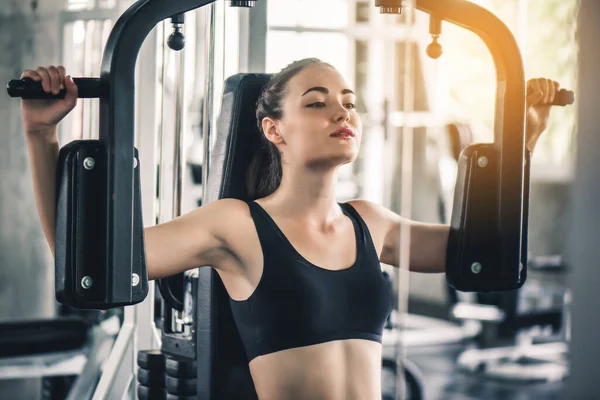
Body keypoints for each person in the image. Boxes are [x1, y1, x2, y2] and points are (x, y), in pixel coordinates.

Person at [21, 59, 560, 400]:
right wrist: (41, 135)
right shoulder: (236, 225)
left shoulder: (371, 223)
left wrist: (522, 141)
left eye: (348, 103)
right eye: (317, 103)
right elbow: (88, 259)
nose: (340, 112)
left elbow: (485, 248)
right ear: (273, 129)